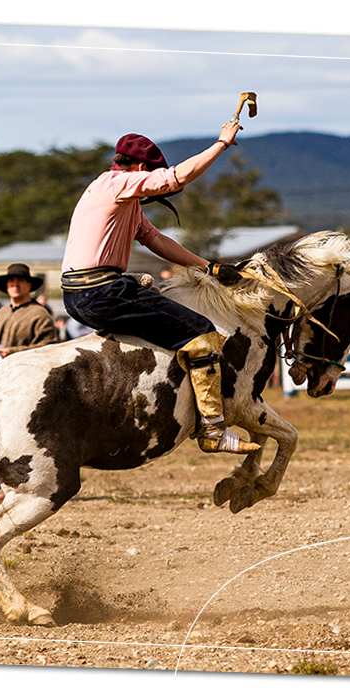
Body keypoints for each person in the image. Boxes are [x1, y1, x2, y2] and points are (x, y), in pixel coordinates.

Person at [60, 121, 259, 455]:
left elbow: (155, 239)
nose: (156, 188)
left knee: (157, 296)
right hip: (101, 292)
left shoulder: (117, 196)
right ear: (139, 169)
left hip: (81, 292)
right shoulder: (119, 184)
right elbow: (176, 178)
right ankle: (212, 428)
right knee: (201, 332)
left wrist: (207, 267)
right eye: (150, 175)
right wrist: (221, 144)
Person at [0, 262, 58, 392]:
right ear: (6, 285)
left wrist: (13, 352)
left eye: (20, 281)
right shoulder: (2, 312)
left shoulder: (40, 314)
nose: (15, 284)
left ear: (29, 285)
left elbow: (48, 348)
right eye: (11, 281)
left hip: (24, 384)